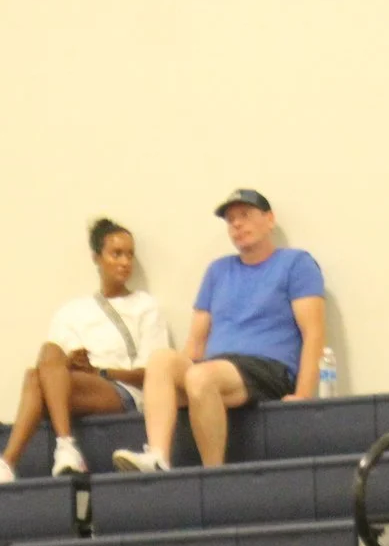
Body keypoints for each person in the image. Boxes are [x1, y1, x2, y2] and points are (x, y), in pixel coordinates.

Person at [112, 190, 325, 473]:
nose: (236, 224)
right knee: (162, 360)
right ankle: (157, 456)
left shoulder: (296, 264)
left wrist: (304, 394)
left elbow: (314, 333)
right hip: (217, 367)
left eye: (245, 216)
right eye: (230, 220)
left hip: (267, 368)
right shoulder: (218, 271)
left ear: (269, 219)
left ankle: (214, 473)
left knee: (200, 377)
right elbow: (195, 343)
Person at [0, 219, 171, 483]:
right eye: (116, 254)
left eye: (129, 254)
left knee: (37, 379)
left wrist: (100, 371)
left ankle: (17, 459)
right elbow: (52, 365)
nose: (125, 262)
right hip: (73, 386)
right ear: (97, 258)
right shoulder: (72, 311)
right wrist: (71, 363)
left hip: (122, 391)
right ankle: (63, 446)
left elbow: (153, 373)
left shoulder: (145, 306)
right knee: (44, 360)